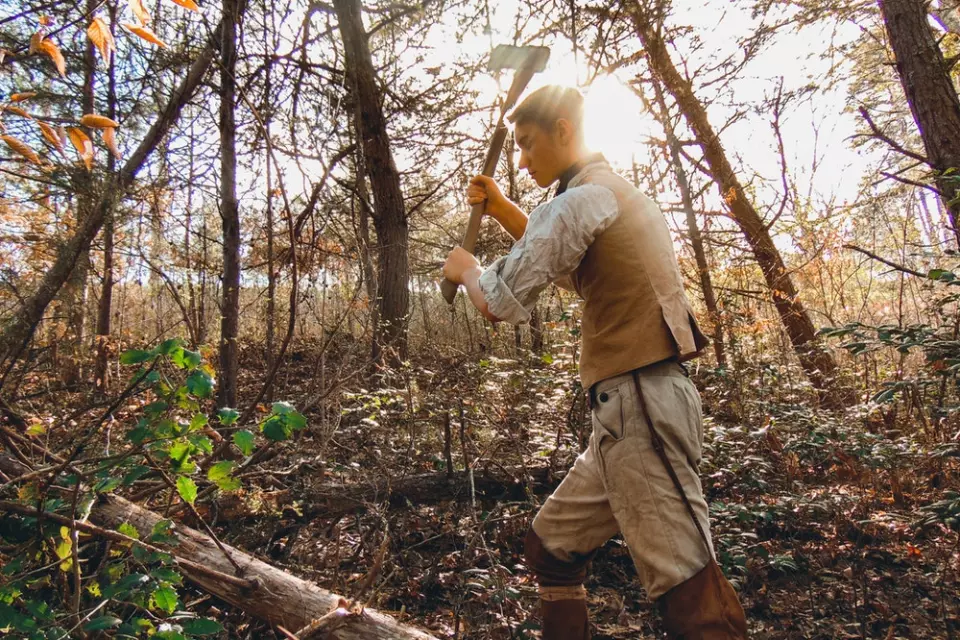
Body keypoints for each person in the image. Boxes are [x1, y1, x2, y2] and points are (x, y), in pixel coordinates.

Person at [442, 85, 748, 640]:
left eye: (528, 143)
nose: (522, 160)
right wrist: (503, 209)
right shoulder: (606, 195)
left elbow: (500, 302)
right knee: (552, 547)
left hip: (640, 407)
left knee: (691, 595)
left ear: (563, 130)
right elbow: (562, 259)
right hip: (626, 413)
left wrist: (466, 271)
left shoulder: (584, 200)